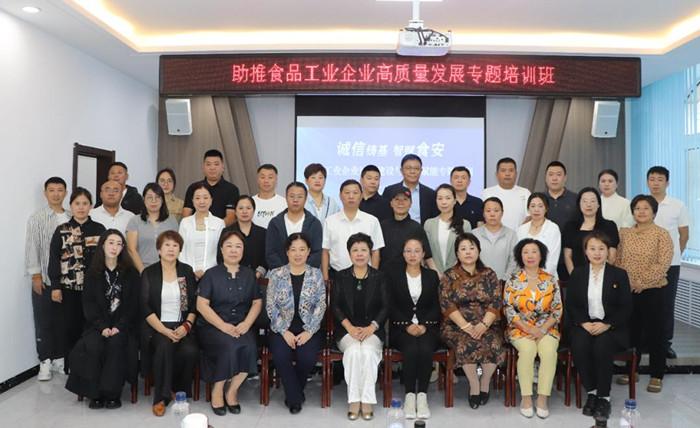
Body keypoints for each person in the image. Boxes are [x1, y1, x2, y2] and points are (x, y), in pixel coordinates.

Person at [65, 229, 139, 410]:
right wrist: (103, 327)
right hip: (97, 325)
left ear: (123, 248)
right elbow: (88, 305)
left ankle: (112, 394)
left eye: (119, 244)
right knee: (94, 345)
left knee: (115, 344)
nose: (114, 247)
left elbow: (133, 306)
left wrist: (119, 326)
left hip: (123, 325)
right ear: (103, 245)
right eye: (111, 242)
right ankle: (95, 394)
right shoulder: (92, 273)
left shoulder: (130, 273)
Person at [566, 231, 632, 421]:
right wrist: (584, 323)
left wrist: (607, 324)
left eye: (601, 249)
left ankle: (604, 397)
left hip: (611, 327)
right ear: (585, 251)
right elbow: (572, 304)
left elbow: (626, 307)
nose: (597, 253)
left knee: (602, 346)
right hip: (584, 324)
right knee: (579, 345)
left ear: (608, 251)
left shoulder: (619, 274)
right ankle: (592, 392)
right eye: (592, 248)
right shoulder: (578, 273)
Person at [196, 230, 263, 416]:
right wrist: (223, 326)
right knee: (229, 346)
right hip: (213, 326)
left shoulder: (249, 274)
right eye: (229, 246)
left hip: (241, 325)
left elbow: (257, 302)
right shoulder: (211, 274)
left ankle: (232, 390)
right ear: (221, 249)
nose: (234, 250)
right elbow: (201, 305)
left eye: (238, 246)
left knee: (250, 347)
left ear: (243, 250)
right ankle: (217, 390)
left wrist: (247, 324)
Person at [440, 233, 506, 410]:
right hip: (456, 326)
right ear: (457, 253)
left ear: (478, 251)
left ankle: (485, 382)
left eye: (471, 248)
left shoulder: (489, 274)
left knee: (493, 342)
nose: (468, 252)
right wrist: (466, 326)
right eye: (463, 249)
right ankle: (474, 384)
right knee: (465, 343)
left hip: (487, 324)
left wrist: (483, 325)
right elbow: (446, 303)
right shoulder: (449, 275)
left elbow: (496, 301)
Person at [615, 195, 673, 393]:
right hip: (628, 289)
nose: (641, 212)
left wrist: (642, 282)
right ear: (633, 212)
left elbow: (663, 263)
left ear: (654, 212)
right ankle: (632, 370)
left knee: (656, 333)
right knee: (632, 332)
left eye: (646, 208)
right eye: (637, 208)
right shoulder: (625, 234)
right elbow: (618, 260)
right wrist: (629, 282)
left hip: (654, 290)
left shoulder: (661, 234)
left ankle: (657, 375)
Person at [265, 233, 326, 414]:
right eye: (293, 250)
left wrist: (309, 331)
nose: (298, 254)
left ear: (308, 252)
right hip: (281, 328)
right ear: (287, 252)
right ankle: (295, 398)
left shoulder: (316, 274)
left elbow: (321, 304)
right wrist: (284, 331)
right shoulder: (276, 274)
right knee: (281, 356)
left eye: (302, 249)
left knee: (307, 357)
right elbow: (270, 305)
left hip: (309, 328)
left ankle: (293, 393)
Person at [48, 188, 106, 374]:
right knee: (71, 327)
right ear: (71, 206)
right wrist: (55, 286)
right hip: (69, 289)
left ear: (91, 206)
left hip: (95, 289)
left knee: (93, 326)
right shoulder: (62, 230)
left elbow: (106, 258)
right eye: (77, 203)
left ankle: (92, 365)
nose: (81, 207)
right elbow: (54, 259)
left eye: (85, 203)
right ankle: (72, 367)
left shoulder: (99, 229)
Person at [141, 230, 199, 416]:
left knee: (190, 350)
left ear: (180, 250)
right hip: (157, 326)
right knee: (164, 345)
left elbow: (193, 304)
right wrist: (164, 331)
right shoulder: (149, 273)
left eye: (175, 245)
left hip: (182, 325)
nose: (171, 249)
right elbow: (144, 307)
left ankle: (179, 391)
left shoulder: (186, 271)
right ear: (159, 249)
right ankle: (161, 397)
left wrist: (186, 327)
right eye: (167, 245)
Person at [504, 239, 562, 419]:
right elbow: (508, 309)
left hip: (547, 328)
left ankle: (543, 399)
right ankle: (526, 398)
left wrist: (542, 330)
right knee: (528, 351)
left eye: (534, 251)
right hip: (520, 329)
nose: (530, 255)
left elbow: (557, 310)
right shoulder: (513, 280)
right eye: (525, 252)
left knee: (549, 352)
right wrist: (529, 329)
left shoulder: (550, 279)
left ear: (541, 255)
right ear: (520, 256)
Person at [331, 233, 388, 420]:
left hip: (373, 330)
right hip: (347, 331)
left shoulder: (379, 277)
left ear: (370, 253)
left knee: (369, 352)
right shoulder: (341, 276)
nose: (360, 254)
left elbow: (386, 306)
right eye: (355, 250)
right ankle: (354, 400)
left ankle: (367, 400)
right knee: (354, 351)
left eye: (364, 250)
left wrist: (372, 327)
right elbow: (335, 306)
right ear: (349, 254)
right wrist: (349, 327)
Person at [386, 238, 441, 419]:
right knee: (410, 348)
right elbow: (390, 305)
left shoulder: (431, 276)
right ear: (403, 254)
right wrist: (407, 325)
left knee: (424, 348)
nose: (412, 255)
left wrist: (424, 325)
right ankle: (410, 395)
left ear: (423, 254)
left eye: (417, 251)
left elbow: (436, 306)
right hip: (401, 328)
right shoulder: (394, 276)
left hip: (428, 328)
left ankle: (422, 396)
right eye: (408, 251)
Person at [25, 177, 71, 380]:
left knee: (63, 322)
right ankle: (44, 362)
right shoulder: (37, 218)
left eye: (60, 190)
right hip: (44, 279)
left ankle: (59, 359)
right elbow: (32, 247)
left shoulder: (71, 217)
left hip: (66, 281)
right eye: (51, 190)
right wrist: (35, 275)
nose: (56, 194)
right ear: (45, 193)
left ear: (65, 193)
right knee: (44, 322)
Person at [647, 166, 690, 360]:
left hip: (670, 265)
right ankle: (646, 343)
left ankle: (665, 344)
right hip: (645, 264)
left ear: (667, 183)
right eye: (652, 179)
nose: (655, 183)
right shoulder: (641, 204)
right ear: (647, 182)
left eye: (660, 179)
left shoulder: (677, 205)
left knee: (666, 305)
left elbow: (684, 235)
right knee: (646, 304)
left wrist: (673, 255)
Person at [322, 179, 385, 280]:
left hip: (366, 276)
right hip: (337, 276)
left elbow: (375, 251)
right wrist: (325, 278)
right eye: (347, 193)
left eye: (355, 193)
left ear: (361, 196)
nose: (351, 196)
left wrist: (373, 278)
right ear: (340, 196)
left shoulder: (372, 221)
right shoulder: (330, 221)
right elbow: (325, 251)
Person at [266, 182, 323, 269]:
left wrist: (301, 271)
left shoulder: (314, 223)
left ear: (305, 199)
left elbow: (317, 253)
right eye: (292, 196)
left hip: (308, 274)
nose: (295, 200)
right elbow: (271, 252)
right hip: (279, 274)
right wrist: (284, 271)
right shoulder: (275, 223)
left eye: (300, 197)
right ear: (286, 198)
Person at [562, 187, 619, 274]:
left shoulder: (609, 226)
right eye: (585, 201)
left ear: (598, 204)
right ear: (579, 204)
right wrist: (575, 277)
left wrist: (598, 277)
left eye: (592, 201)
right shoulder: (570, 226)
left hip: (602, 276)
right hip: (577, 275)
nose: (589, 205)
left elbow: (612, 256)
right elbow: (567, 256)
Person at [379, 186, 435, 271]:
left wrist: (437, 274)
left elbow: (427, 256)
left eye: (405, 199)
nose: (401, 203)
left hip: (409, 275)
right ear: (391, 203)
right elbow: (375, 253)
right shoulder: (382, 226)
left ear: (410, 203)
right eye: (397, 199)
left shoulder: (416, 227)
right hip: (384, 275)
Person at [126, 183, 178, 273]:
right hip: (143, 270)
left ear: (162, 200)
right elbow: (131, 249)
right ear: (144, 199)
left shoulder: (171, 220)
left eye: (157, 197)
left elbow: (177, 246)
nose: (153, 201)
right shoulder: (135, 221)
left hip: (168, 271)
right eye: (149, 197)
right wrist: (143, 272)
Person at [179, 184, 226, 280]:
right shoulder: (185, 222)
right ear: (192, 201)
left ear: (211, 200)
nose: (201, 201)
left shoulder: (219, 223)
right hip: (188, 274)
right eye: (197, 198)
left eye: (205, 197)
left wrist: (207, 271)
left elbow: (221, 252)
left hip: (213, 275)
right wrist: (190, 271)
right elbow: (181, 251)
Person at [424, 184, 472, 275]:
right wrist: (436, 273)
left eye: (448, 198)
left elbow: (467, 252)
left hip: (459, 275)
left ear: (454, 201)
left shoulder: (465, 224)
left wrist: (451, 273)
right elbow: (427, 252)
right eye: (440, 198)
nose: (444, 202)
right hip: (434, 275)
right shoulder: (429, 224)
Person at [182, 149, 239, 225]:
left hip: (222, 230)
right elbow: (186, 214)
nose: (212, 168)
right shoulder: (193, 188)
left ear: (223, 167)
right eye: (208, 164)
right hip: (196, 229)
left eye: (216, 164)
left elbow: (231, 217)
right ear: (203, 167)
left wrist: (214, 229)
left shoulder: (232, 189)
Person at [472, 197, 518, 282]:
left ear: (502, 213)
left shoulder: (511, 235)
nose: (492, 214)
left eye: (496, 211)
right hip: (478, 283)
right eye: (488, 211)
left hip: (504, 283)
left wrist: (504, 281)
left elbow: (514, 261)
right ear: (483, 213)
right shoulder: (474, 234)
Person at [383, 154, 438, 225]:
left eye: (416, 169)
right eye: (408, 168)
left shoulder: (430, 194)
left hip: (421, 231)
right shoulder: (389, 191)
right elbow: (384, 215)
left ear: (421, 171)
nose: (412, 171)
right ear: (401, 170)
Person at [219, 196, 267, 277]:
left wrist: (258, 274)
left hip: (256, 278)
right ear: (235, 211)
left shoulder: (263, 233)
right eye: (241, 208)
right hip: (231, 277)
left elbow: (266, 257)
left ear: (253, 211)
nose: (244, 211)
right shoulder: (227, 232)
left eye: (248, 208)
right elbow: (220, 256)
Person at [516, 193, 561, 278]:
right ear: (528, 209)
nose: (536, 209)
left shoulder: (553, 228)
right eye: (533, 206)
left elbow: (552, 259)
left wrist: (538, 278)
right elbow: (518, 256)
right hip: (524, 278)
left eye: (540, 206)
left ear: (546, 208)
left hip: (547, 278)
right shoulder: (521, 229)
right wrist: (526, 276)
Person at [482, 157, 531, 231]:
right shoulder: (487, 193)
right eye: (503, 170)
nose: (507, 174)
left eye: (511, 170)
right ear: (496, 174)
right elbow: (483, 219)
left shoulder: (525, 192)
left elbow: (530, 217)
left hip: (519, 236)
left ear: (516, 174)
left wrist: (519, 233)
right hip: (494, 235)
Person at [543, 161, 578, 231]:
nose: (554, 178)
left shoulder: (576, 198)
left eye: (558, 175)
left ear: (565, 178)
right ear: (545, 178)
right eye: (551, 174)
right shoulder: (539, 199)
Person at [252, 164, 287, 229]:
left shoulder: (285, 203)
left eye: (270, 177)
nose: (266, 181)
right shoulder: (250, 202)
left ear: (276, 180)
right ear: (257, 180)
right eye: (262, 177)